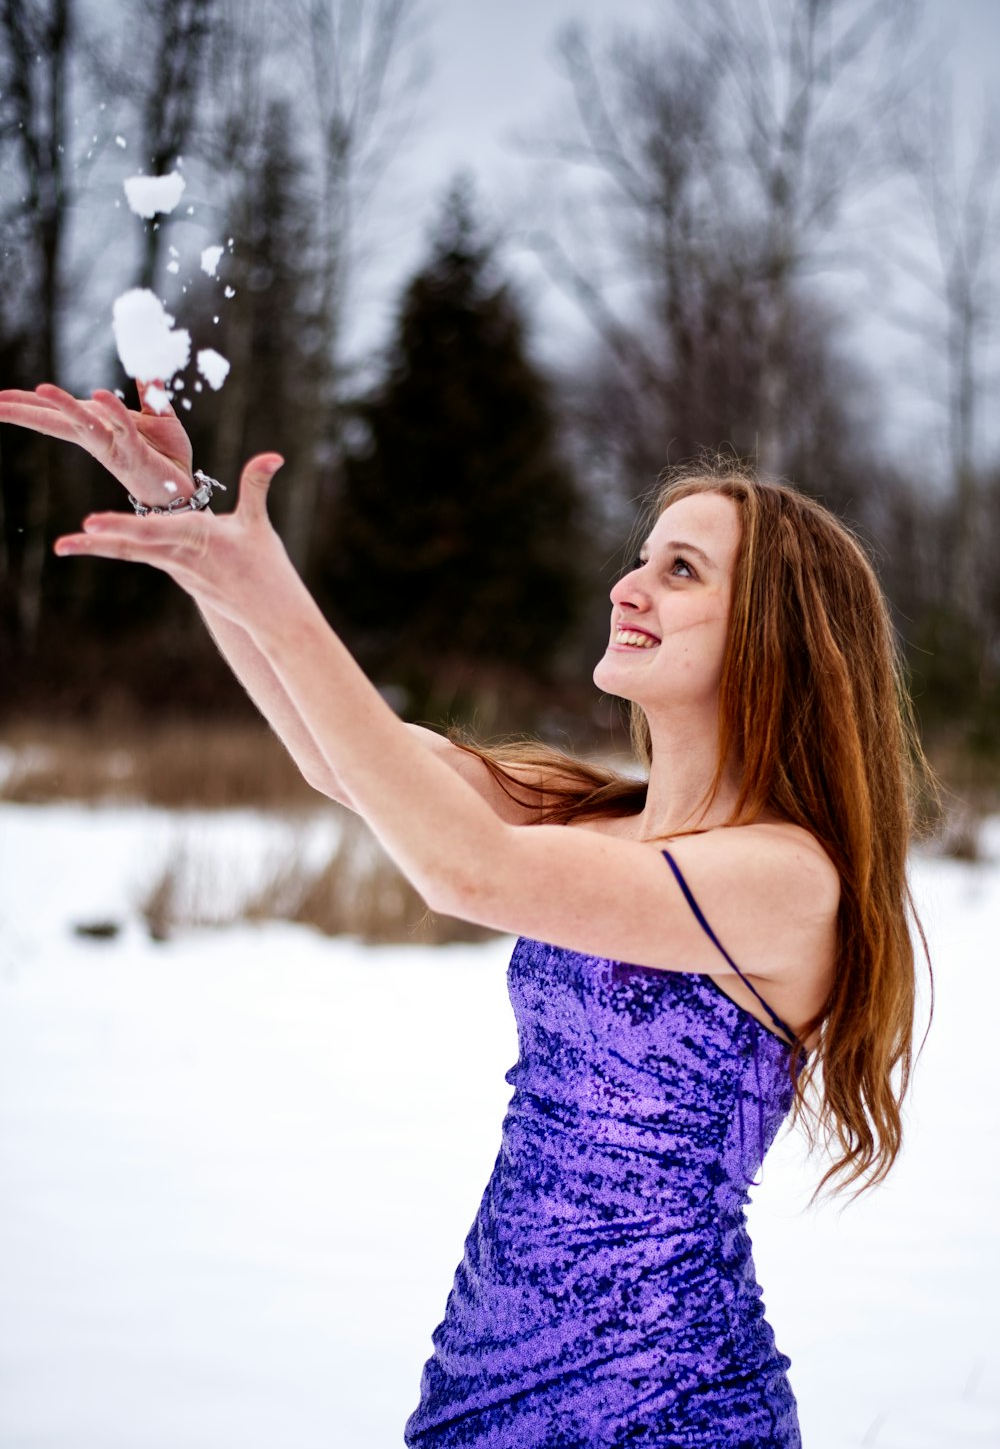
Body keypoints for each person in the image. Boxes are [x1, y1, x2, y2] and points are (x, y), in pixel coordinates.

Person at [0, 380, 933, 1448]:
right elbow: (345, 759)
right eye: (641, 556)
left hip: (667, 1407)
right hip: (483, 1380)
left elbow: (466, 872)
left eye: (681, 570)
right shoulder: (598, 815)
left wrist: (274, 592)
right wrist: (190, 531)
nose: (629, 585)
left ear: (778, 629)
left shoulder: (785, 876)